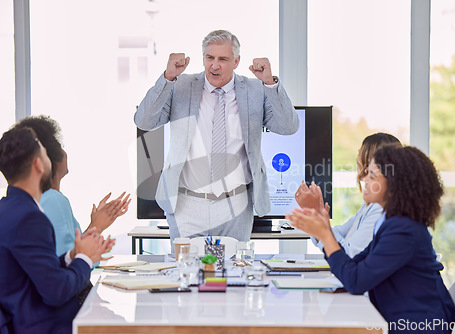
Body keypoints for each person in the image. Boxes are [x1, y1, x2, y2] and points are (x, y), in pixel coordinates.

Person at [135, 29, 299, 243]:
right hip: (186, 203)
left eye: (223, 59)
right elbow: (143, 121)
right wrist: (167, 78)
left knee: (235, 273)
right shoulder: (180, 85)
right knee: (186, 273)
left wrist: (270, 84)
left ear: (236, 61)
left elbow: (288, 126)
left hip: (236, 204)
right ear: (203, 58)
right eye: (210, 57)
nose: (214, 65)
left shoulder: (255, 89)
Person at [287, 145, 455, 334]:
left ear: (395, 186)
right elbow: (353, 266)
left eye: (372, 176)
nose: (364, 179)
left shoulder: (403, 231)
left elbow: (356, 281)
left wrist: (325, 234)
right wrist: (323, 228)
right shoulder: (392, 223)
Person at [0, 126, 115, 334]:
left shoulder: (8, 208)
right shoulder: (30, 218)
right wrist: (85, 259)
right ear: (38, 165)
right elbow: (56, 291)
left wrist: (73, 256)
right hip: (43, 325)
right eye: (45, 153)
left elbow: (39, 271)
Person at [14, 115, 131, 256]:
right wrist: (97, 226)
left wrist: (95, 226)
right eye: (60, 146)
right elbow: (68, 265)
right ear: (51, 158)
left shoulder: (31, 201)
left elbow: (68, 255)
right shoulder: (54, 200)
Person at [295, 133, 401, 257]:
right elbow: (340, 233)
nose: (357, 158)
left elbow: (349, 254)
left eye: (360, 152)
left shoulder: (381, 208)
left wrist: (317, 217)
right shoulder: (372, 204)